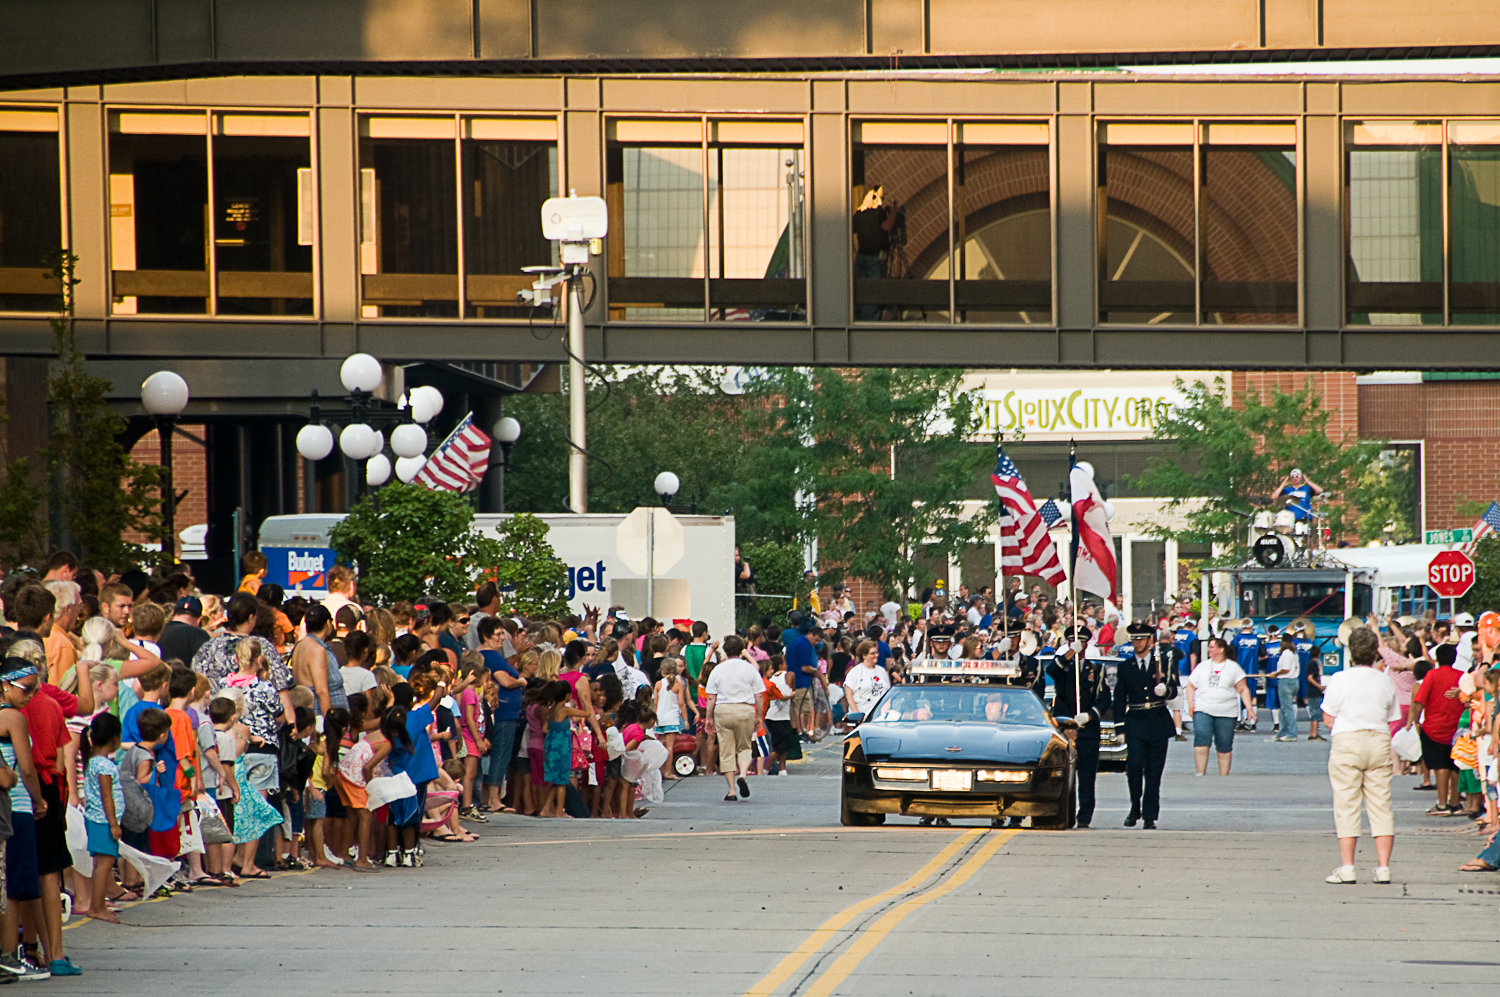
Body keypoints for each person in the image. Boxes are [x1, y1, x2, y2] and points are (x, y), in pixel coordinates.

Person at [1320, 626, 1398, 884]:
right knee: (1381, 805)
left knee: (1346, 804)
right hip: (1378, 739)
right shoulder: (1384, 679)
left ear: (1350, 651)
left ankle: (1347, 866)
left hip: (1347, 740)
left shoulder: (1340, 679)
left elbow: (1328, 716)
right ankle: (1383, 867)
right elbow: (1391, 716)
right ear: (1376, 651)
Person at [1114, 621, 1179, 829]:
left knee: (1154, 771)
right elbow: (1119, 699)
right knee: (1133, 766)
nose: (1137, 643)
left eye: (1141, 639)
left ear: (1150, 641)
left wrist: (1165, 691)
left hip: (1158, 719)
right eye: (1134, 639)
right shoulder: (1125, 667)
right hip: (1135, 720)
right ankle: (1135, 807)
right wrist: (1119, 728)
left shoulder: (1162, 663)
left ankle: (1150, 814)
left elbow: (1174, 688)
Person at [1047, 626, 1107, 828]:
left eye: (1080, 642)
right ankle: (1065, 814)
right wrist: (1066, 725)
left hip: (1087, 729)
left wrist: (1089, 716)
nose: (1077, 645)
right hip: (1066, 729)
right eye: (1073, 641)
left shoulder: (1095, 669)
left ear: (1087, 644)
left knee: (1087, 776)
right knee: (1063, 777)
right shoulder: (1063, 666)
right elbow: (1051, 671)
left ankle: (1084, 817)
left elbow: (1104, 699)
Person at [703, 636, 764, 802]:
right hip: (744, 709)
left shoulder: (718, 669)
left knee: (726, 749)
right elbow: (759, 695)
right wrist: (758, 716)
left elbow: (711, 697)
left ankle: (731, 790)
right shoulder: (750, 669)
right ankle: (743, 774)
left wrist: (709, 717)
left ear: (725, 651)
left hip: (723, 710)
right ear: (741, 650)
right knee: (744, 746)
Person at [1409, 642, 1466, 816]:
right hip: (1457, 727)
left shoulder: (1432, 675)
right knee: (1455, 765)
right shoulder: (1462, 676)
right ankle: (1455, 802)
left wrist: (1416, 721)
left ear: (1437, 659)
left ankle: (1442, 804)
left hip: (1434, 726)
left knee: (1440, 766)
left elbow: (1419, 701)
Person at [1185, 637, 1255, 776]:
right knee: (1201, 739)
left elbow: (1243, 689)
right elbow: (1190, 686)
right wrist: (1190, 703)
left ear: (1221, 649)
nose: (1209, 650)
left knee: (1224, 744)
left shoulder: (1233, 667)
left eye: (1212, 647)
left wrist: (1249, 709)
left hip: (1226, 711)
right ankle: (1200, 772)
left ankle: (1223, 775)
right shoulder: (1202, 666)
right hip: (1203, 708)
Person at [80, 712, 124, 924]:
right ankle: (96, 907)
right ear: (114, 738)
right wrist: (114, 824)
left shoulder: (93, 761)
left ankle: (97, 903)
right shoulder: (105, 766)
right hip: (104, 821)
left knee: (101, 864)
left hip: (95, 819)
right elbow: (107, 796)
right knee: (104, 865)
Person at [852, 185, 899, 320]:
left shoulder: (859, 213)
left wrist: (854, 252)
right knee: (874, 291)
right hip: (874, 258)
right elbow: (886, 226)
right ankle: (871, 321)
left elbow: (850, 230)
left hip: (861, 257)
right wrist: (894, 212)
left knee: (864, 290)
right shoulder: (878, 212)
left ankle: (865, 318)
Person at [1269, 633, 1302, 742]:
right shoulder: (1294, 653)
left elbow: (1285, 669)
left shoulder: (1286, 654)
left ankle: (1292, 734)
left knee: (1287, 708)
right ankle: (1281, 732)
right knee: (1284, 708)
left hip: (1285, 680)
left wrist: (1275, 674)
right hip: (1294, 680)